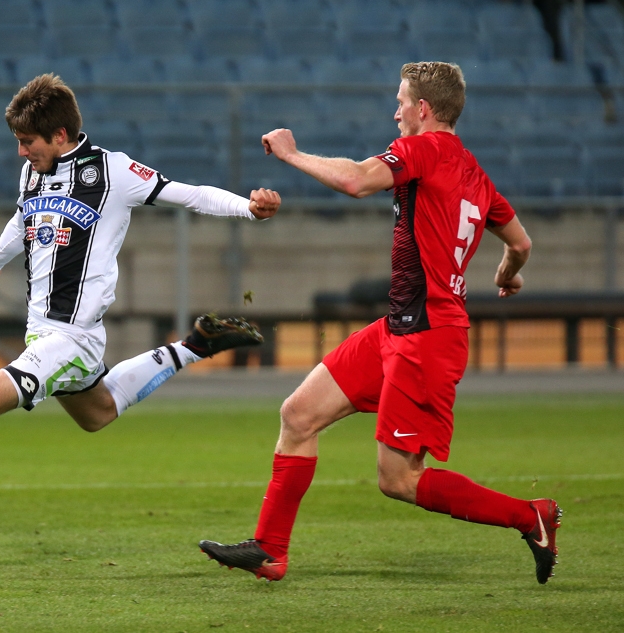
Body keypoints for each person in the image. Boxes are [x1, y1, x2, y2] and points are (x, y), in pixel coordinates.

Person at [0, 73, 282, 546]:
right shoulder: (34, 170)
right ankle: (195, 345)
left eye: (27, 141)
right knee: (98, 413)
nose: (21, 151)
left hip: (71, 338)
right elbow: (23, 216)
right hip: (44, 334)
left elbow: (188, 193)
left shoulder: (113, 172)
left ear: (60, 136)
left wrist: (248, 208)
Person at [199, 62, 561, 585]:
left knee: (399, 480)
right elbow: (521, 242)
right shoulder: (475, 174)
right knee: (298, 415)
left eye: (400, 101)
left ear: (424, 110)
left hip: (428, 337)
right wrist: (509, 272)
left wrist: (291, 153)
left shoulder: (422, 150)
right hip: (399, 326)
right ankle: (269, 550)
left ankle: (532, 516)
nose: (395, 112)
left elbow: (354, 180)